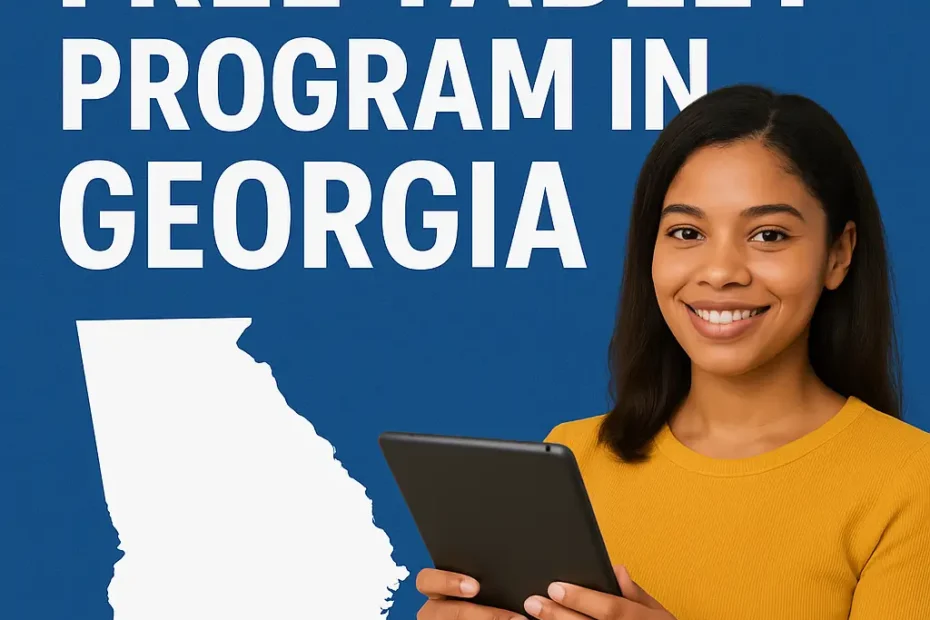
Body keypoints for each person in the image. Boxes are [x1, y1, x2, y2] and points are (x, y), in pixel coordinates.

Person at [413, 84, 930, 620]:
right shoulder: (573, 458)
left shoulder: (911, 482)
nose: (721, 271)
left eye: (769, 235)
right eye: (687, 231)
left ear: (838, 255)